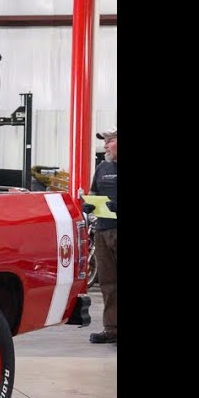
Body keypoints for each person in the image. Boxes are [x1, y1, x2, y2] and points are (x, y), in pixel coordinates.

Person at [84, 129, 117, 344]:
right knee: (108, 282)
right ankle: (112, 329)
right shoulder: (102, 168)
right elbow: (94, 192)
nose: (105, 145)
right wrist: (89, 204)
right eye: (104, 142)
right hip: (104, 231)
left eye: (110, 141)